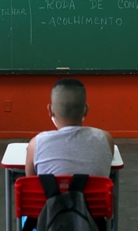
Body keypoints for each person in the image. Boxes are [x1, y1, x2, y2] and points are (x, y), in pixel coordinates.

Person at [24, 78, 114, 231]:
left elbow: (31, 184)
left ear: (50, 110)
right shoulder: (105, 139)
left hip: (49, 220)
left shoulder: (36, 144)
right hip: (92, 222)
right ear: (86, 109)